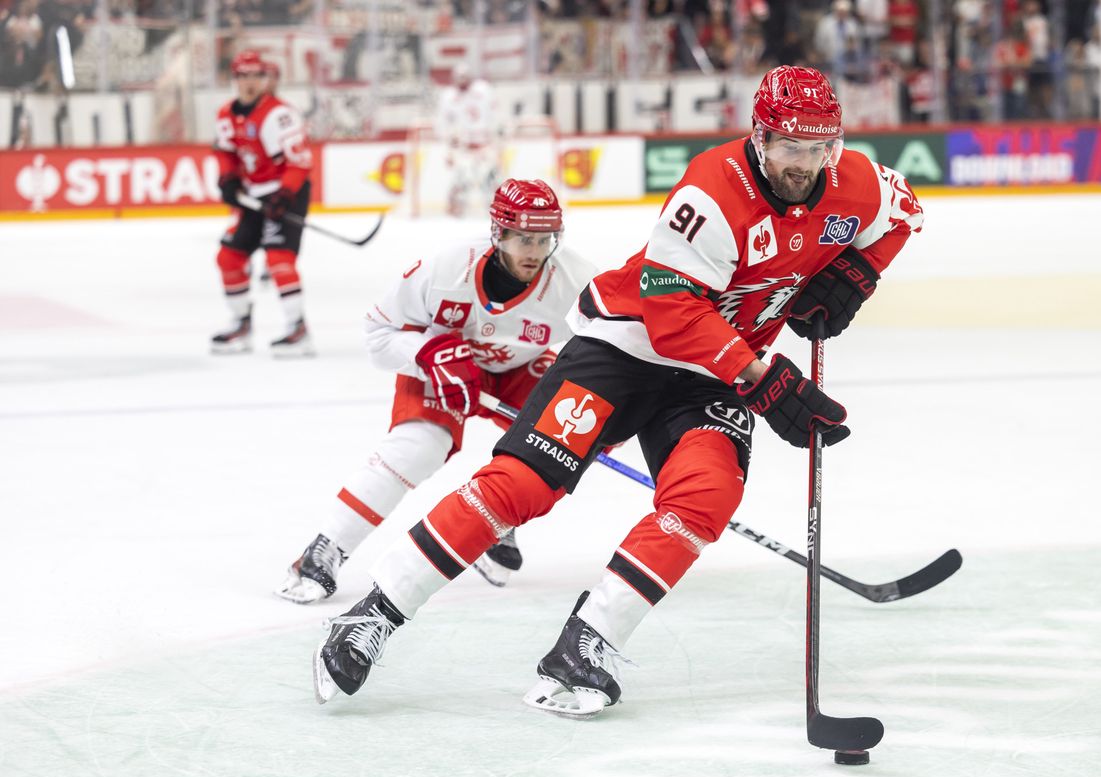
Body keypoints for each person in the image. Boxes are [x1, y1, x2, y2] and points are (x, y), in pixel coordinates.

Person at [311, 66, 925, 716]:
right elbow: (673, 312)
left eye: (818, 147)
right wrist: (761, 378)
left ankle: (587, 643)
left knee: (706, 495)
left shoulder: (856, 183)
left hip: (711, 377)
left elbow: (905, 211)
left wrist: (857, 273)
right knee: (521, 486)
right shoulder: (713, 191)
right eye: (790, 146)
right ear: (761, 136)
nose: (803, 163)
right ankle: (372, 614)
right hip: (624, 350)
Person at [278, 179, 597, 603]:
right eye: (524, 238)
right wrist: (426, 352)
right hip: (441, 363)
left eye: (544, 240)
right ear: (498, 233)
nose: (535, 252)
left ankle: (496, 518)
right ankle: (326, 548)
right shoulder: (446, 268)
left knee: (556, 446)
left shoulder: (576, 281)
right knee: (419, 447)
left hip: (521, 368)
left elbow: (612, 348)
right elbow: (378, 335)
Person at [211, 49, 315, 357]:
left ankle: (298, 329)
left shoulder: (279, 115)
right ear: (235, 78)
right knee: (228, 257)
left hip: (286, 193)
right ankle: (241, 325)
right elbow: (226, 152)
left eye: (256, 75)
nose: (250, 82)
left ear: (264, 78)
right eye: (244, 76)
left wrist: (284, 196)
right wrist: (228, 179)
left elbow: (300, 162)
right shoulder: (226, 114)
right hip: (253, 196)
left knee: (278, 258)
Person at [434, 63, 499, 216]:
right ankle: (456, 209)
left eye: (464, 77)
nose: (462, 80)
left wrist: (495, 138)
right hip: (463, 147)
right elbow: (442, 123)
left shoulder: (483, 90)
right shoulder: (449, 96)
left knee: (490, 180)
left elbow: (495, 114)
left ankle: (496, 210)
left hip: (484, 145)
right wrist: (449, 145)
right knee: (461, 180)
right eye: (459, 77)